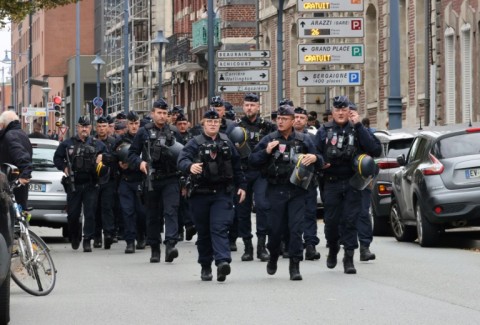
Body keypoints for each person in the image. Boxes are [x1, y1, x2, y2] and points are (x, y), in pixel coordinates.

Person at [249, 105, 323, 281]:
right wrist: (267, 151)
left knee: (296, 229)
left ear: (292, 120)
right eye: (278, 119)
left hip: (297, 190)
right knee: (275, 230)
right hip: (276, 190)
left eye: (284, 119)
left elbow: (320, 160)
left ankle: (295, 265)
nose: (280, 122)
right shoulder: (270, 139)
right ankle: (273, 256)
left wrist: (315, 158)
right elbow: (253, 160)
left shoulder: (304, 140)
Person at [314, 96, 381, 274]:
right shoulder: (324, 130)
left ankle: (349, 257)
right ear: (333, 112)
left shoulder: (358, 129)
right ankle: (333, 248)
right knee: (332, 222)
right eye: (337, 110)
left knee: (351, 220)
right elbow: (314, 152)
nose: (341, 113)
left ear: (350, 111)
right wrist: (320, 162)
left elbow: (375, 149)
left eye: (345, 110)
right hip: (331, 182)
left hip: (353, 182)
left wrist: (359, 125)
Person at [177, 109, 246, 282]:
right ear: (203, 124)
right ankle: (205, 265)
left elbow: (237, 166)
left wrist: (242, 186)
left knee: (219, 227)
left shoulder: (226, 141)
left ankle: (222, 262)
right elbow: (182, 159)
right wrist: (190, 167)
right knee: (204, 232)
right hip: (200, 193)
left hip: (222, 193)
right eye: (209, 122)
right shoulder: (195, 142)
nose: (213, 124)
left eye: (216, 122)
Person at [128, 99, 181, 263]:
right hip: (151, 178)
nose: (162, 116)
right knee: (152, 215)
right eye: (159, 113)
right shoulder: (143, 132)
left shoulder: (173, 131)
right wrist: (140, 163)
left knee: (171, 211)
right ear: (153, 114)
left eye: (165, 113)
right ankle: (155, 248)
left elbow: (183, 154)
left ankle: (171, 245)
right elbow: (131, 154)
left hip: (171, 177)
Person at [231, 93, 276, 262]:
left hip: (261, 172)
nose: (249, 108)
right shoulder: (235, 127)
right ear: (243, 107)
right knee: (242, 210)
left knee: (263, 206)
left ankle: (261, 246)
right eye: (247, 105)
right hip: (242, 173)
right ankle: (248, 246)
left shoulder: (268, 127)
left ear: (258, 107)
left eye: (253, 105)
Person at [53, 116, 107, 252]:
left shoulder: (97, 144)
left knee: (90, 214)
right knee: (73, 214)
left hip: (90, 183)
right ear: (77, 127)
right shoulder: (67, 144)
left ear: (90, 128)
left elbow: (109, 157)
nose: (84, 129)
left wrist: (103, 158)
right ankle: (75, 236)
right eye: (81, 126)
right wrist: (64, 167)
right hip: (74, 184)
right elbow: (57, 158)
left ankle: (87, 239)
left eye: (86, 126)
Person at [115, 111, 147, 253]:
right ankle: (130, 242)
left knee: (141, 212)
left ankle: (141, 236)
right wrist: (119, 165)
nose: (134, 127)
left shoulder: (145, 138)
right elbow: (111, 157)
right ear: (127, 125)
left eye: (136, 124)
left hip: (141, 179)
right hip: (126, 180)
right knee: (127, 211)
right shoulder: (120, 140)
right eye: (131, 124)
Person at [293, 107, 321, 260]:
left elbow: (320, 157)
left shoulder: (312, 137)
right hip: (288, 184)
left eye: (301, 118)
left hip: (308, 181)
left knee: (310, 214)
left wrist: (316, 158)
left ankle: (310, 245)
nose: (298, 120)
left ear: (306, 121)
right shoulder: (283, 136)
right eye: (295, 117)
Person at [93, 116, 117, 249]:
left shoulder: (114, 142)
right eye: (99, 126)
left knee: (107, 207)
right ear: (96, 128)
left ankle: (108, 234)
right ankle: (97, 236)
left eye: (104, 126)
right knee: (96, 208)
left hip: (110, 179)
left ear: (108, 127)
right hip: (95, 180)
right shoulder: (92, 141)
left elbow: (117, 157)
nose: (102, 129)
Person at [0, 111, 32, 210]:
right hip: (18, 188)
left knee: (8, 220)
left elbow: (22, 157)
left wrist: (25, 175)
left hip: (10, 185)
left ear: (3, 124)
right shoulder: (22, 134)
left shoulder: (10, 136)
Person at [357, 114, 378, 261]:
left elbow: (376, 150)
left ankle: (364, 247)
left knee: (363, 213)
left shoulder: (364, 131)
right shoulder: (330, 131)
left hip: (361, 178)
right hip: (340, 179)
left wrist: (359, 127)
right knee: (342, 216)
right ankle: (337, 246)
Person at [174, 113, 196, 242]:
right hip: (176, 173)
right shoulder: (173, 137)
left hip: (189, 172)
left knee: (188, 202)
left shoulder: (192, 138)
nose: (182, 126)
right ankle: (179, 230)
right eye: (179, 124)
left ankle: (189, 226)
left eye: (184, 123)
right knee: (177, 203)